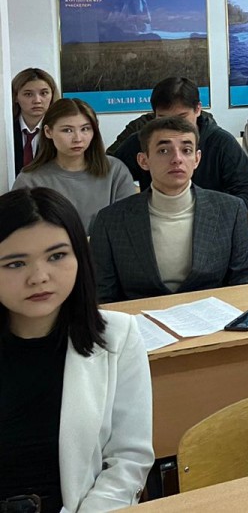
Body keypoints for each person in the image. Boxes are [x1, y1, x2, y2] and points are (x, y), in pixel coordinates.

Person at [0, 187, 153, 512]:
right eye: (15, 263)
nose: (39, 277)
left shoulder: (119, 336)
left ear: (80, 257)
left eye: (56, 256)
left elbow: (128, 460)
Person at [90, 117, 248, 303]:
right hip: (138, 318)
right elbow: (102, 295)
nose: (177, 159)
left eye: (186, 150)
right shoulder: (110, 220)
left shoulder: (231, 210)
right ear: (143, 160)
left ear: (197, 159)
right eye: (164, 151)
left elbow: (246, 278)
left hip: (214, 316)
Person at [109, 77, 248, 212]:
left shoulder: (221, 143)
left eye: (181, 117)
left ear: (198, 109)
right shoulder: (141, 141)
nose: (173, 125)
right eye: (163, 118)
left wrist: (212, 212)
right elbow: (109, 177)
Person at [13, 99, 137, 232]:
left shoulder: (115, 170)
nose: (78, 138)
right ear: (48, 132)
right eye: (67, 130)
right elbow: (18, 233)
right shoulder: (29, 180)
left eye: (85, 129)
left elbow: (128, 225)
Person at [11, 68, 59, 178]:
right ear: (15, 97)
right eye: (28, 94)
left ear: (52, 95)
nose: (37, 100)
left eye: (44, 93)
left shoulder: (60, 129)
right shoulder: (6, 129)